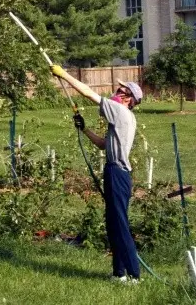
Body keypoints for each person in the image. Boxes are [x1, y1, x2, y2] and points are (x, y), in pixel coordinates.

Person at [51, 65, 143, 283]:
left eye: (122, 91)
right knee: (113, 223)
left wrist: (63, 74)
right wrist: (84, 129)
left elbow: (86, 92)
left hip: (118, 174)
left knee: (119, 224)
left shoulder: (121, 111)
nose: (117, 91)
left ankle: (134, 275)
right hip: (115, 171)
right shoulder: (121, 118)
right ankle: (119, 274)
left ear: (130, 99)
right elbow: (103, 144)